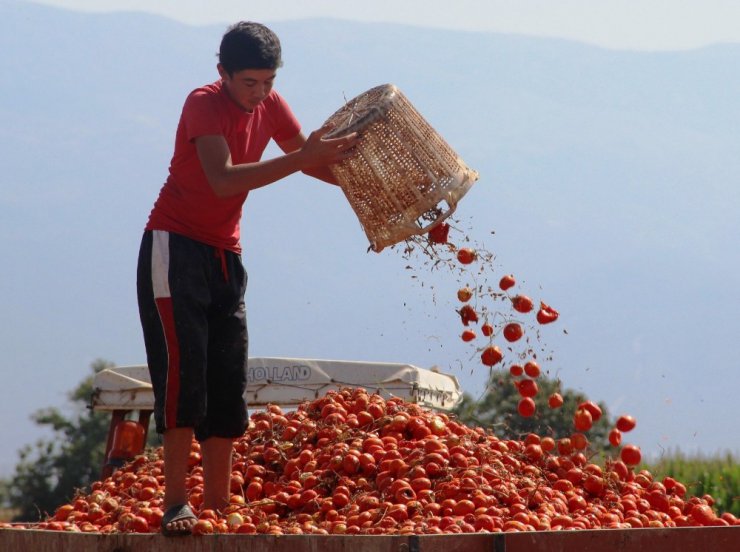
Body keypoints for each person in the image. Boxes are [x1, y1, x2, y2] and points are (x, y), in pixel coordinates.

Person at [136, 21, 357, 536]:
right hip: (175, 247)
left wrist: (370, 187)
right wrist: (302, 157)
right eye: (249, 83)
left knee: (225, 380)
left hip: (225, 256)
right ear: (223, 74)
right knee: (182, 377)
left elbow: (311, 162)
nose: (260, 95)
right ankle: (175, 503)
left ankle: (216, 506)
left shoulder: (271, 106)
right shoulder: (202, 103)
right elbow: (223, 179)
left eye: (269, 83)